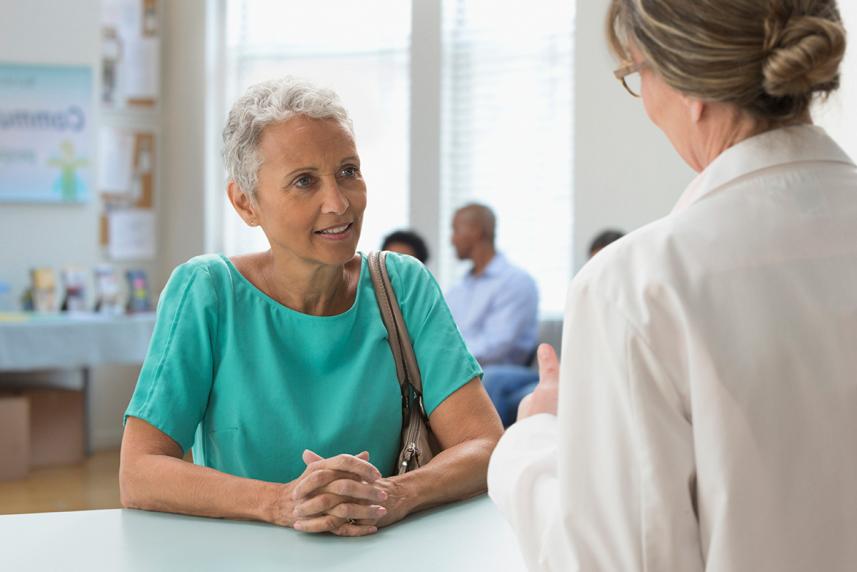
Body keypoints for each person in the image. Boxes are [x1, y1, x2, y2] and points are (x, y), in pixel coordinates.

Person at [489, 1, 856, 570]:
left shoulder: (634, 288)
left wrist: (534, 442)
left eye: (635, 74)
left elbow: (613, 562)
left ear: (688, 88)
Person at [120, 77, 503, 537]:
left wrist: (394, 494)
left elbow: (484, 445)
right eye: (304, 181)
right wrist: (281, 503)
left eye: (348, 171)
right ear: (245, 202)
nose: (338, 203)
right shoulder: (206, 292)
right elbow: (139, 471)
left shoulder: (402, 284)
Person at [485, 228, 626, 427]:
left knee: (525, 398)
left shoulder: (630, 306)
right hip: (558, 369)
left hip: (583, 377)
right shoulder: (586, 297)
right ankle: (493, 454)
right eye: (594, 263)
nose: (598, 271)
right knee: (492, 378)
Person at [445, 203, 539, 367]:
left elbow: (497, 346)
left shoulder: (515, 282)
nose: (452, 240)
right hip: (460, 370)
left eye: (456, 230)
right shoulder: (458, 289)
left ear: (476, 231)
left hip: (497, 372)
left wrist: (447, 357)